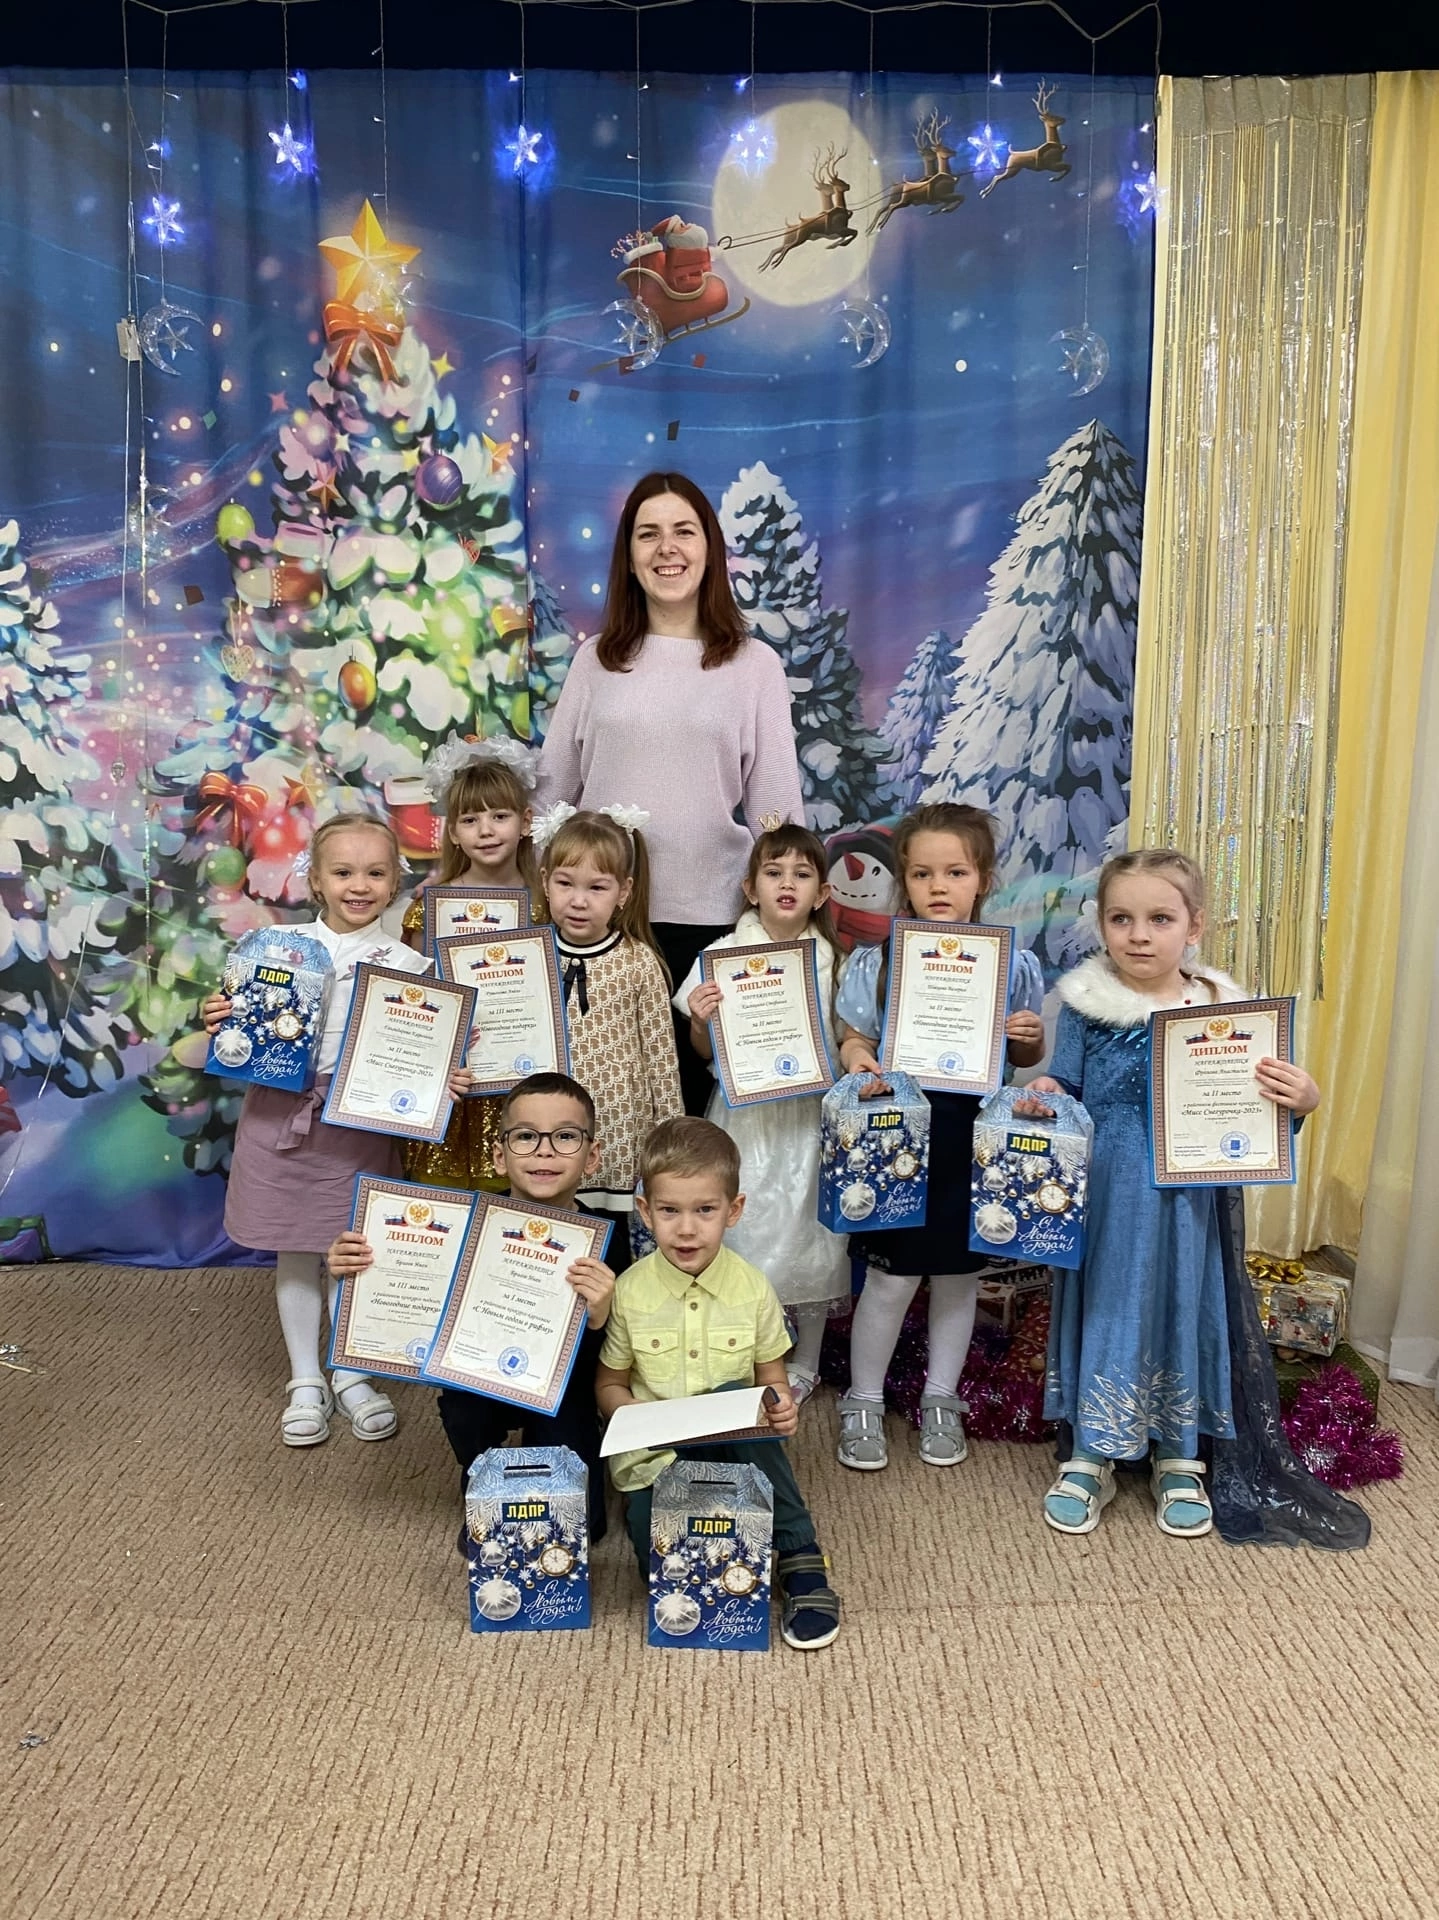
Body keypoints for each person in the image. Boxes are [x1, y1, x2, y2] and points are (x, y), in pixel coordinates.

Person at [1023, 848, 1369, 1550]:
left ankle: (1178, 1454)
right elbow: (1069, 1085)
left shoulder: (1222, 1013)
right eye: (1120, 919)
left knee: (1185, 1303)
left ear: (1195, 926)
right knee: (1111, 1304)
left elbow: (1253, 1111)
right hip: (1110, 1193)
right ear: (1101, 924)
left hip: (1189, 1201)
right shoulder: (1088, 1006)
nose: (1138, 935)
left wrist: (1301, 1101)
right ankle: (1092, 1451)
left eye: (1159, 918)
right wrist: (1048, 1093)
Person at [535, 472, 804, 1112]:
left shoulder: (754, 665)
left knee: (689, 1118)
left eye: (684, 531)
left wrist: (788, 917)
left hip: (709, 924)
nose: (667, 548)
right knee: (598, 1107)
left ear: (710, 548)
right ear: (628, 555)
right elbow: (551, 799)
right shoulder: (596, 660)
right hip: (600, 922)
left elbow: (777, 811)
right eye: (647, 534)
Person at [202, 815, 469, 1449]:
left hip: (358, 1124)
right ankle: (305, 1378)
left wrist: (445, 1073)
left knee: (353, 1247)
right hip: (279, 1116)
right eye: (343, 872)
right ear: (316, 880)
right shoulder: (273, 948)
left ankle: (350, 1374)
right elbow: (235, 1026)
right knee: (293, 1246)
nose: (359, 886)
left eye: (376, 873)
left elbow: (428, 1048)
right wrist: (219, 1013)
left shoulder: (411, 966)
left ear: (395, 881)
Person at [833, 802, 1045, 1473]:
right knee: (890, 1279)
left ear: (982, 878)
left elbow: (1026, 1057)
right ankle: (863, 1399)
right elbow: (854, 1036)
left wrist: (1027, 1037)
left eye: (955, 872)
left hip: (969, 1137)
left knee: (959, 1278)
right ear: (904, 879)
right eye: (922, 874)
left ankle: (941, 1398)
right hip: (899, 1136)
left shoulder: (1011, 965)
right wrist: (858, 1059)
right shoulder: (880, 962)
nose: (938, 886)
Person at [327, 1071, 624, 1544]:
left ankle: (566, 1453)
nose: (544, 1151)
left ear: (592, 1157)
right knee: (462, 1403)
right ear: (499, 1155)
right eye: (525, 1136)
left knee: (580, 1530)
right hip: (478, 1381)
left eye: (566, 1137)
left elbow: (613, 1363)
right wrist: (355, 1269)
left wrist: (600, 1318)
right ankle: (484, 1468)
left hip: (567, 1391)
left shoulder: (610, 1243)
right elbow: (410, 1297)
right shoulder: (456, 1227)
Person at [595, 1117, 842, 1651]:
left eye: (705, 1210)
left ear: (734, 1210)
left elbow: (771, 1380)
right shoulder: (630, 1292)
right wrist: (630, 1415)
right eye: (669, 1211)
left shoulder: (753, 1288)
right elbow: (610, 1382)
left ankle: (799, 1552)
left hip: (735, 1449)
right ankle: (720, 1535)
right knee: (664, 1575)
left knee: (736, 1400)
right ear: (645, 1211)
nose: (687, 1229)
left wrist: (780, 1407)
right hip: (658, 1456)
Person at [676, 821, 849, 1404]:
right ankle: (741, 1351)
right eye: (774, 873)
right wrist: (701, 1021)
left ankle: (805, 1361)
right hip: (743, 1118)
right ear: (751, 888)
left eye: (802, 874)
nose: (787, 884)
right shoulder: (721, 957)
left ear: (822, 893)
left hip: (807, 1118)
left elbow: (847, 1038)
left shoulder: (835, 962)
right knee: (743, 1226)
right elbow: (703, 1053)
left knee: (811, 1234)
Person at [532, 804, 683, 1261]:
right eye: (566, 884)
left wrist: (670, 1145)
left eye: (596, 887)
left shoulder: (639, 962)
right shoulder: (528, 955)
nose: (579, 901)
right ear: (545, 882)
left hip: (620, 1142)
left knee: (614, 1262)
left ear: (623, 892)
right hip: (549, 1140)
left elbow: (661, 1059)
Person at [401, 735, 539, 1192]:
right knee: (442, 1199)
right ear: (453, 832)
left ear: (525, 822)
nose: (486, 830)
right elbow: (415, 991)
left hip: (521, 1072)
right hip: (452, 1080)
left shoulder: (547, 903)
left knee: (516, 1195)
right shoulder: (431, 907)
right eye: (470, 819)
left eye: (499, 816)